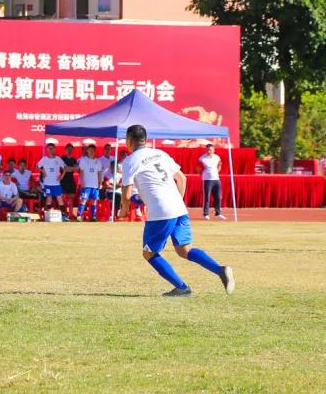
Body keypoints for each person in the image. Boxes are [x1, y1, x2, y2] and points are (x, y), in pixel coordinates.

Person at [119, 124, 234, 297]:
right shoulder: (160, 153)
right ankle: (220, 270)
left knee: (149, 253)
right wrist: (176, 201)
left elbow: (127, 194)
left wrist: (124, 210)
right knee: (184, 250)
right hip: (179, 208)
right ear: (145, 139)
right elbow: (181, 178)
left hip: (160, 212)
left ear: (128, 141)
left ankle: (182, 287)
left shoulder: (130, 161)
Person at [76, 144, 104, 221]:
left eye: (93, 151)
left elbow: (99, 173)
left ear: (95, 151)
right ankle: (79, 215)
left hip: (95, 185)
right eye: (90, 150)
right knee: (83, 200)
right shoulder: (83, 160)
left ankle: (93, 216)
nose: (91, 152)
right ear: (87, 151)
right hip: (86, 185)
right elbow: (81, 172)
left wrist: (100, 183)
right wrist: (82, 182)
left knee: (94, 201)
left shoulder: (98, 161)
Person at [38, 143, 67, 217]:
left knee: (59, 197)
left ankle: (64, 214)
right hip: (47, 183)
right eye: (49, 148)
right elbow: (37, 166)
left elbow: (65, 168)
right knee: (49, 197)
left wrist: (61, 176)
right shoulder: (44, 159)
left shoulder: (58, 159)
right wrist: (43, 171)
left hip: (56, 183)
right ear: (47, 149)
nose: (50, 150)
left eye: (52, 148)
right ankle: (48, 215)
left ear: (54, 149)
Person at [199, 143, 225, 220]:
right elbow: (198, 168)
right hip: (207, 180)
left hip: (216, 179)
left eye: (210, 150)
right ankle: (206, 214)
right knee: (207, 197)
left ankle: (218, 214)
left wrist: (216, 172)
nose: (209, 151)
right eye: (207, 150)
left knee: (218, 197)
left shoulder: (217, 157)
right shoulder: (202, 158)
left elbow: (220, 165)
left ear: (213, 150)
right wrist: (204, 174)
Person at [60, 143, 79, 220]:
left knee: (71, 198)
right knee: (63, 198)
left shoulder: (74, 159)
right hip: (63, 180)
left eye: (71, 149)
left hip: (71, 180)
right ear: (65, 150)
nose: (70, 151)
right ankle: (64, 214)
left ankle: (71, 214)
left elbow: (77, 168)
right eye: (68, 149)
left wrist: (68, 168)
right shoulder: (62, 158)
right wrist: (71, 168)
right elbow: (63, 168)